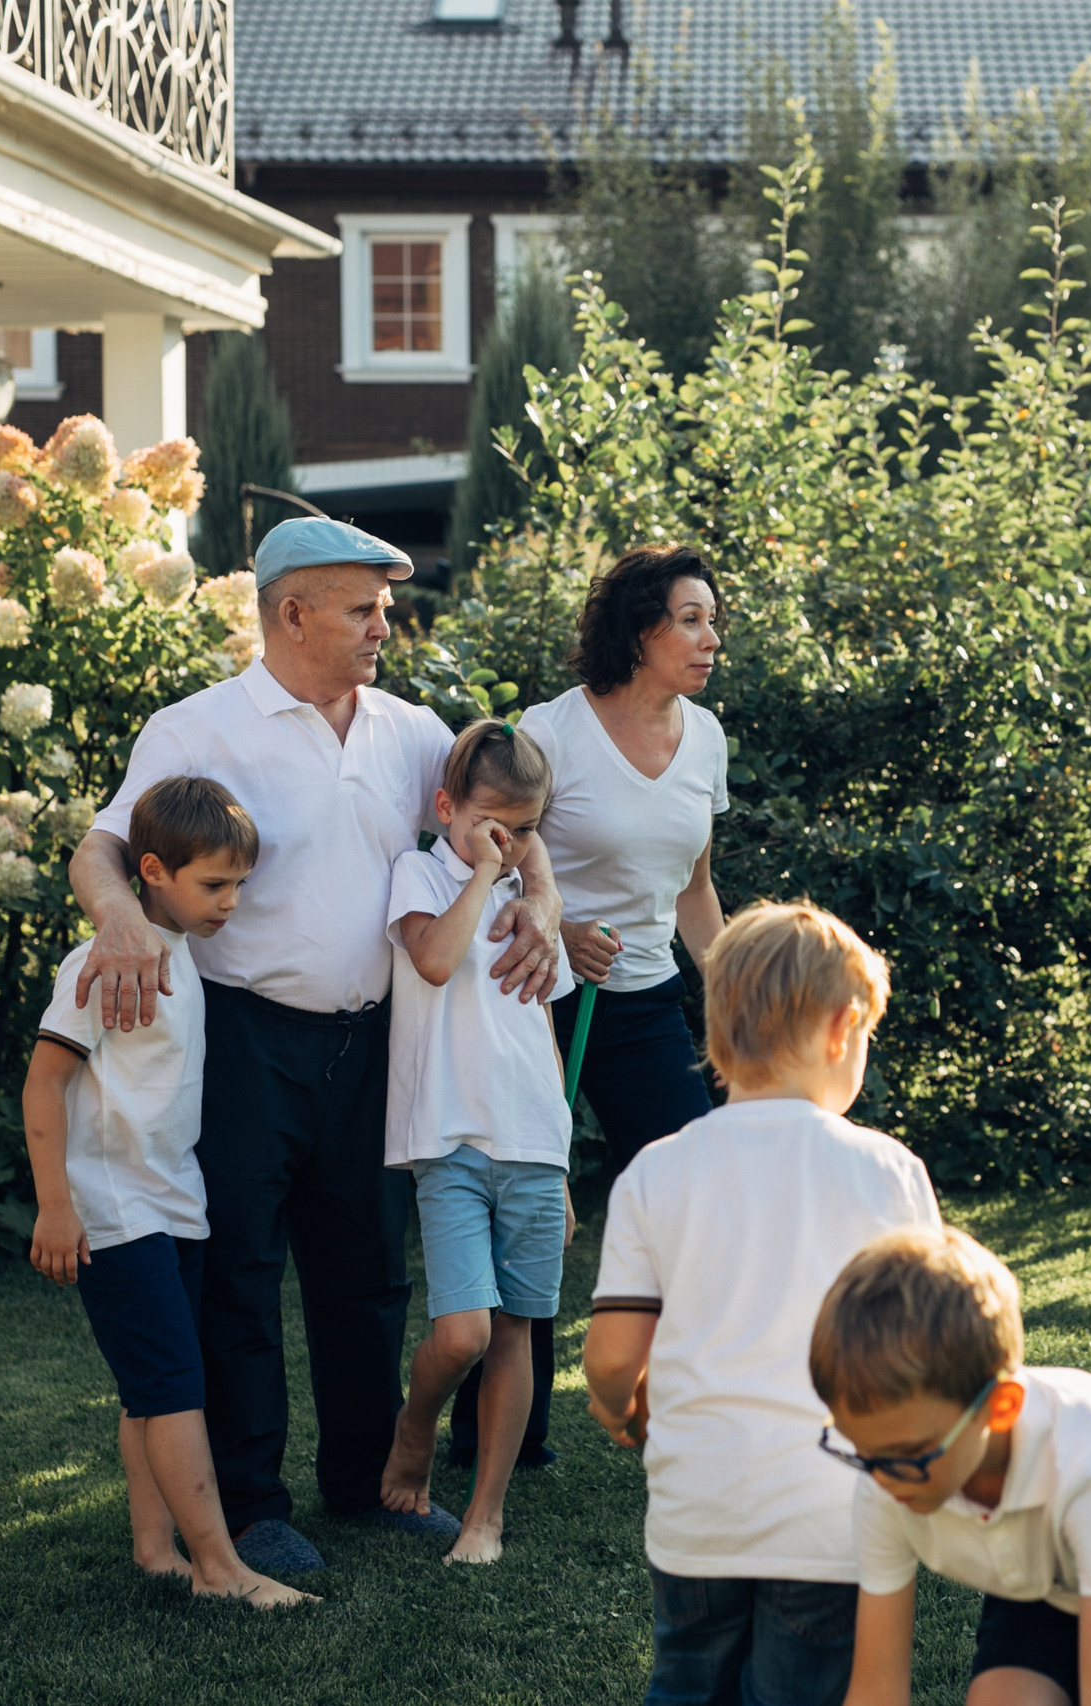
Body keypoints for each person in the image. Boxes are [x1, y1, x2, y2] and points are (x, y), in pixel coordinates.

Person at [69, 516, 564, 1577]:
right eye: (364, 608)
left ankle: (366, 1479)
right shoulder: (197, 726)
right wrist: (118, 916)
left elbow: (515, 815)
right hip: (244, 1036)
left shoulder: (412, 727)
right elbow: (104, 844)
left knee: (367, 1271)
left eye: (386, 607)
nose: (387, 625)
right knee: (238, 1270)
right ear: (292, 612)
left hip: (378, 1041)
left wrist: (549, 901)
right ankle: (251, 1504)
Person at [582, 902, 941, 1706]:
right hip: (831, 1511)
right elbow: (923, 1347)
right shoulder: (888, 1172)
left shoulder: (656, 1172)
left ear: (714, 1037)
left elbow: (611, 1359)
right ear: (844, 1030)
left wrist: (622, 1412)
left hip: (697, 1506)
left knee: (686, 1681)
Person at [454, 543, 728, 1475]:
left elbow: (693, 885)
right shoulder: (552, 732)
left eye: (711, 619)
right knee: (533, 1208)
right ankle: (497, 1434)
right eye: (689, 619)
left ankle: (694, 1411)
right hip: (543, 999)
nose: (708, 637)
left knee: (697, 1199)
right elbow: (502, 852)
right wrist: (553, 924)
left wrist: (727, 984)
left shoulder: (707, 739)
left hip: (646, 1002)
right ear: (640, 629)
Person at [24, 776, 311, 1608]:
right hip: (116, 1213)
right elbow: (44, 1085)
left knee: (153, 1388)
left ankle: (156, 1550)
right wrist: (55, 1204)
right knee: (179, 1388)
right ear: (151, 869)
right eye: (213, 885)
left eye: (238, 886)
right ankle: (220, 1567)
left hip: (174, 1202)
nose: (230, 903)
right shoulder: (101, 961)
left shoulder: (180, 951)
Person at [817, 1226, 1091, 1706]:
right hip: (1045, 1584)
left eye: (911, 1454)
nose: (882, 1479)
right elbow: (876, 1688)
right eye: (859, 1450)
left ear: (1000, 1407)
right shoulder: (886, 1475)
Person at [376, 718, 576, 1565]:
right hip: (450, 1142)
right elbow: (431, 960)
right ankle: (414, 1427)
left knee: (517, 1332)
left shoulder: (533, 908)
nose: (510, 840)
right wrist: (491, 872)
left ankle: (484, 1515)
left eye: (526, 828)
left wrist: (563, 1158)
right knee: (462, 1334)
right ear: (445, 805)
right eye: (492, 822)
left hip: (534, 1142)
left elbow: (543, 1029)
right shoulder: (420, 873)